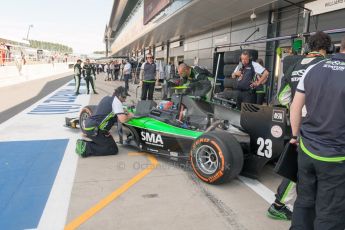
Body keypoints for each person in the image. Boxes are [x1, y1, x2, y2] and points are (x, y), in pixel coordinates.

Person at [268, 31, 331, 221]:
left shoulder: (295, 64)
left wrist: (296, 110)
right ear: (325, 49)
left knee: (302, 163)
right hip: (316, 124)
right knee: (301, 166)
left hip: (297, 121)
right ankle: (279, 205)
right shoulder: (323, 65)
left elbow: (282, 97)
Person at [289, 36, 345, 230]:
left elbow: (295, 107)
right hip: (336, 157)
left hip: (307, 148)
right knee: (330, 213)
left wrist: (295, 136)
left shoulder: (314, 68)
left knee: (304, 201)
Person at [75, 86, 133, 157]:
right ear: (120, 96)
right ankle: (86, 148)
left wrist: (122, 111)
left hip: (91, 126)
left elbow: (109, 113)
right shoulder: (117, 102)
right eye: (124, 97)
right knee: (112, 149)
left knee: (111, 145)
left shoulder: (107, 98)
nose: (125, 100)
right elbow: (122, 119)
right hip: (95, 130)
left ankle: (88, 142)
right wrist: (130, 116)